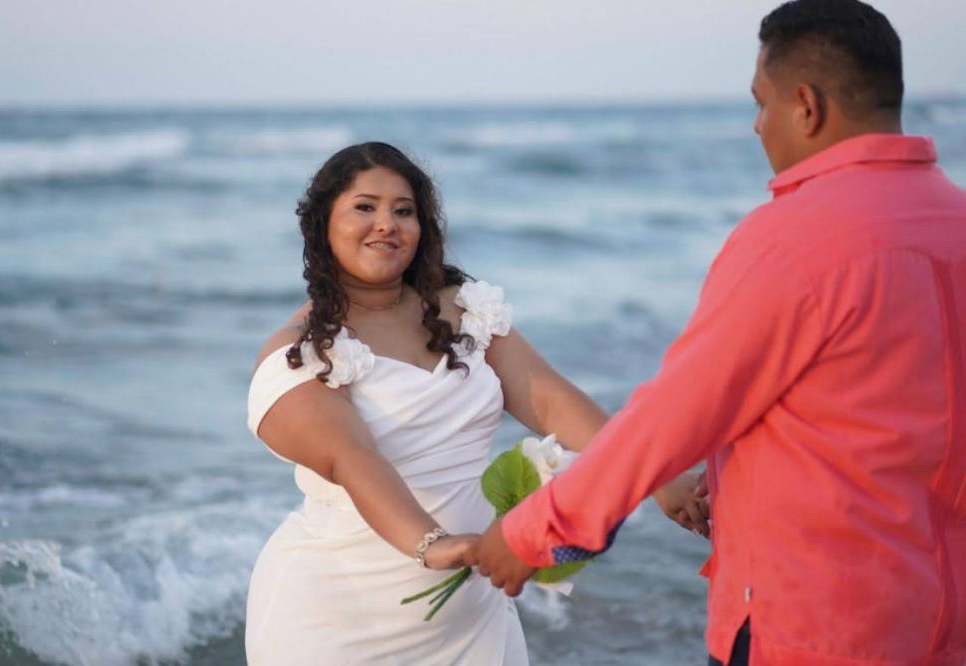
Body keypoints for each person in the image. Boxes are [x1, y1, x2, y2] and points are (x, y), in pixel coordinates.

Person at [465, 1, 966, 665]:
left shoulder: (794, 239)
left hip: (814, 625)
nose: (758, 125)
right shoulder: (955, 220)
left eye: (762, 103)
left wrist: (533, 533)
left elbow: (675, 414)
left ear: (807, 106)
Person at [244, 141, 709, 665]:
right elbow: (352, 458)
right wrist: (435, 545)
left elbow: (549, 400)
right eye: (365, 207)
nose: (387, 224)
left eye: (404, 211)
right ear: (323, 225)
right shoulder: (302, 352)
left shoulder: (464, 310)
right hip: (337, 624)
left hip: (471, 621)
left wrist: (656, 478)